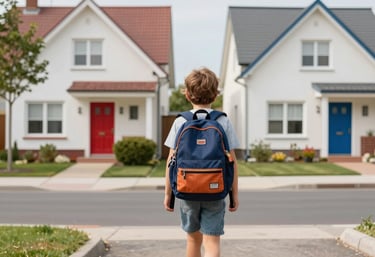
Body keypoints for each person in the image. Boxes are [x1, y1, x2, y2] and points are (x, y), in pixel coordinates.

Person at [164, 67, 239, 257]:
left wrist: (168, 195)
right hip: (215, 190)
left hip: (186, 189)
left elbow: (170, 161)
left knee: (193, 239)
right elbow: (232, 162)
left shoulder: (180, 122)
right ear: (215, 94)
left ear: (187, 94)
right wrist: (234, 195)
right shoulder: (223, 122)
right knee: (212, 240)